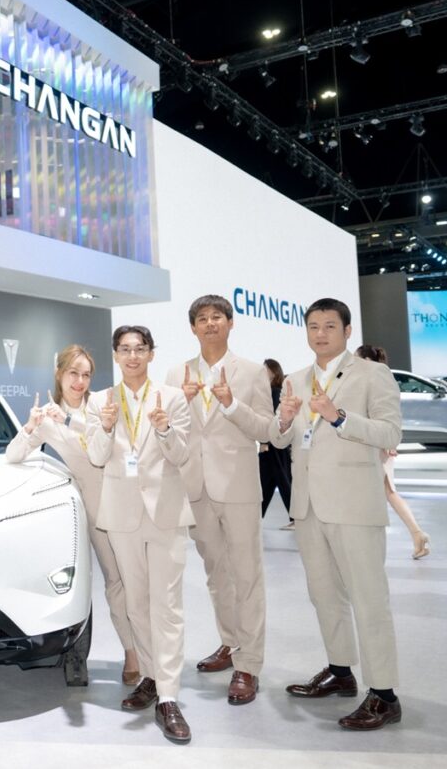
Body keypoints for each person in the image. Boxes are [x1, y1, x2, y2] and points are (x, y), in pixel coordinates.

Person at [270, 298, 404, 731]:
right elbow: (281, 439)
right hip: (308, 506)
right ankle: (340, 671)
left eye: (330, 325)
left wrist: (339, 417)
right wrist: (283, 420)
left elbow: (391, 432)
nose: (320, 333)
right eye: (313, 326)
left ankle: (384, 695)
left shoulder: (372, 374)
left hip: (354, 505)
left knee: (369, 599)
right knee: (324, 595)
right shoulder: (295, 379)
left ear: (347, 331)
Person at [5, 344, 140, 686]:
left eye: (86, 375)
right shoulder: (47, 418)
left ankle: (152, 651)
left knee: (139, 579)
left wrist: (68, 419)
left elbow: (110, 445)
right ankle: (132, 652)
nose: (80, 381)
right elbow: (13, 454)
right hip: (95, 507)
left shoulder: (103, 404)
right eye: (73, 373)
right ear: (59, 374)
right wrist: (31, 426)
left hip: (126, 497)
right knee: (115, 582)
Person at [86, 325, 193, 744]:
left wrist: (165, 430)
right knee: (137, 603)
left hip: (165, 512)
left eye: (140, 349)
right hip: (122, 515)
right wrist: (105, 427)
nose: (133, 356)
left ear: (151, 354)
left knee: (167, 605)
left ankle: (168, 696)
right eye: (125, 349)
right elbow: (97, 457)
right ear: (115, 355)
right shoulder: (100, 401)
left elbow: (181, 455)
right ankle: (150, 674)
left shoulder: (173, 397)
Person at [165, 295, 274, 706]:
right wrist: (182, 402)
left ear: (230, 323)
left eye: (217, 317)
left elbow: (265, 429)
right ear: (193, 328)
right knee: (217, 575)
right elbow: (166, 430)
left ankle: (249, 665)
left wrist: (231, 404)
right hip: (195, 488)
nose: (210, 323)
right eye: (202, 318)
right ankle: (230, 642)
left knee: (247, 575)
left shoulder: (252, 372)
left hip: (239, 488)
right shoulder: (176, 373)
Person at [355, 345, 430, 559]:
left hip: (377, 443)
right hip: (372, 442)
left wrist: (389, 441)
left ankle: (415, 534)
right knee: (386, 491)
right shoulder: (375, 378)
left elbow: (388, 413)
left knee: (385, 491)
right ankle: (417, 535)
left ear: (366, 360)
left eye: (356, 358)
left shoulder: (376, 379)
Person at [258, 359, 293, 527]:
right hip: (274, 445)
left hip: (273, 445)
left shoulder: (274, 392)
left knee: (281, 480)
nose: (262, 372)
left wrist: (264, 442)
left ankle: (296, 517)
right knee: (267, 481)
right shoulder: (272, 391)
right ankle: (257, 517)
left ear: (273, 372)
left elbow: (270, 419)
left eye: (265, 369)